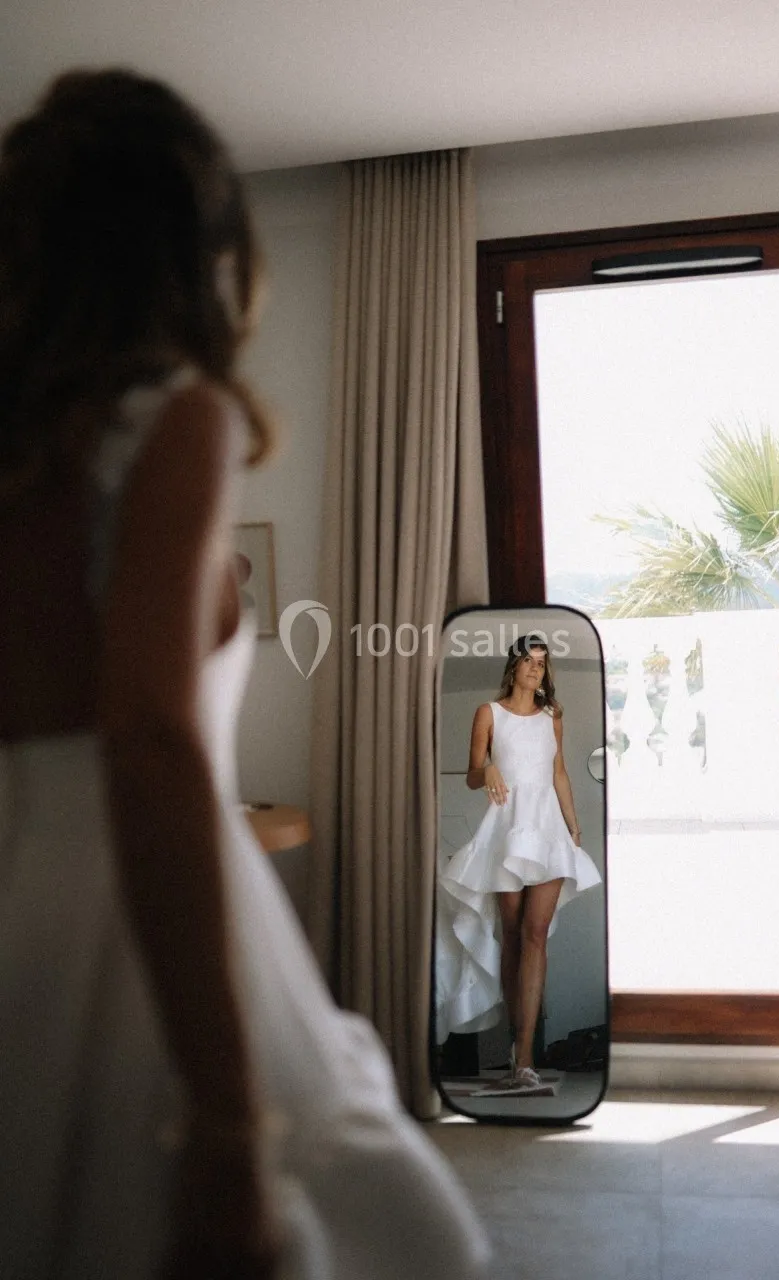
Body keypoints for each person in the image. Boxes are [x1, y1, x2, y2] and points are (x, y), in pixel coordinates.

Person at [0, 69, 489, 1280]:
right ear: (196, 246)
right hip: (142, 907)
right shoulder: (174, 417)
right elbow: (150, 736)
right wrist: (227, 1122)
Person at [436, 636, 602, 1096]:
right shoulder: (488, 713)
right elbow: (473, 774)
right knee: (511, 934)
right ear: (514, 666)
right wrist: (487, 769)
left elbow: (559, 772)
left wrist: (573, 825)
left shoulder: (553, 716)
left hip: (547, 828)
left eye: (541, 664)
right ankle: (515, 1047)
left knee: (535, 933)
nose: (535, 669)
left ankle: (525, 1057)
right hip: (506, 830)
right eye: (528, 661)